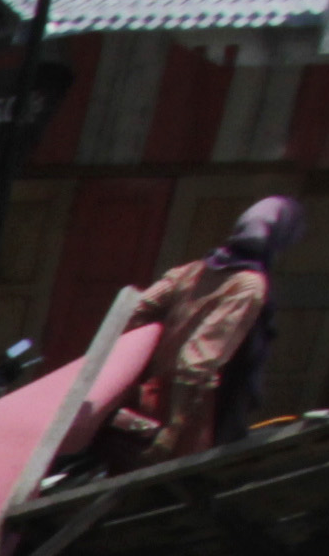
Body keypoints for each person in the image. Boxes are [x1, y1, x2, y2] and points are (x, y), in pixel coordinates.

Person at [107, 195, 298, 460]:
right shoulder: (248, 285)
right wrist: (174, 428)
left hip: (148, 397)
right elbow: (196, 361)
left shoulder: (191, 271)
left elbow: (133, 311)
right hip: (188, 411)